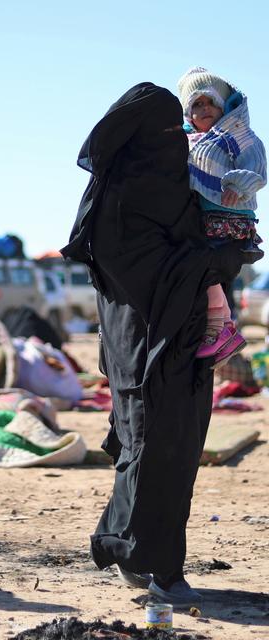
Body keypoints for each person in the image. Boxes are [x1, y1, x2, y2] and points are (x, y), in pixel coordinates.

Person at [61, 83, 254, 606]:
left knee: (155, 452)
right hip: (154, 350)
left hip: (166, 345)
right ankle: (162, 571)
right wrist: (225, 260)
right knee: (159, 454)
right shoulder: (123, 201)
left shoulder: (159, 189)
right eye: (166, 131)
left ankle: (130, 552)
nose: (176, 140)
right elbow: (157, 271)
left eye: (179, 129)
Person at [177, 67, 266, 365]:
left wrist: (237, 184)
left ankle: (224, 327)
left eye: (210, 102)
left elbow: (257, 164)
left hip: (230, 217)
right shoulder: (189, 141)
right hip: (207, 220)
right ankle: (220, 327)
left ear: (223, 106)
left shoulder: (234, 133)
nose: (204, 109)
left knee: (204, 266)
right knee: (199, 267)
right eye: (196, 105)